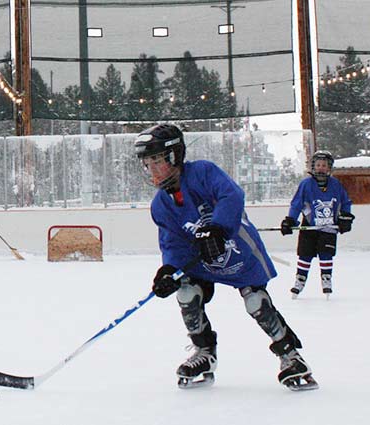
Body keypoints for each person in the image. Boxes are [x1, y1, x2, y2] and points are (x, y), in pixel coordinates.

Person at [135, 123, 317, 391]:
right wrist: (169, 270)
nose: (152, 168)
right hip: (203, 262)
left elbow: (230, 195)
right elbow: (172, 243)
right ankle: (204, 353)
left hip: (239, 254)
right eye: (147, 163)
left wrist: (217, 228)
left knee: (256, 302)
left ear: (175, 156)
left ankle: (290, 356)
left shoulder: (203, 173)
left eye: (157, 161)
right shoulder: (160, 205)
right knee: (186, 294)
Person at [280, 151, 354, 299]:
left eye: (324, 165)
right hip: (309, 226)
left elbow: (345, 202)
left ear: (329, 168)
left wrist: (345, 217)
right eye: (318, 165)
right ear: (313, 166)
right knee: (305, 254)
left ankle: (326, 278)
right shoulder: (306, 184)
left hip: (329, 227)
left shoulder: (335, 185)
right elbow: (297, 204)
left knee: (326, 254)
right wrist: (290, 220)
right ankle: (300, 280)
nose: (321, 168)